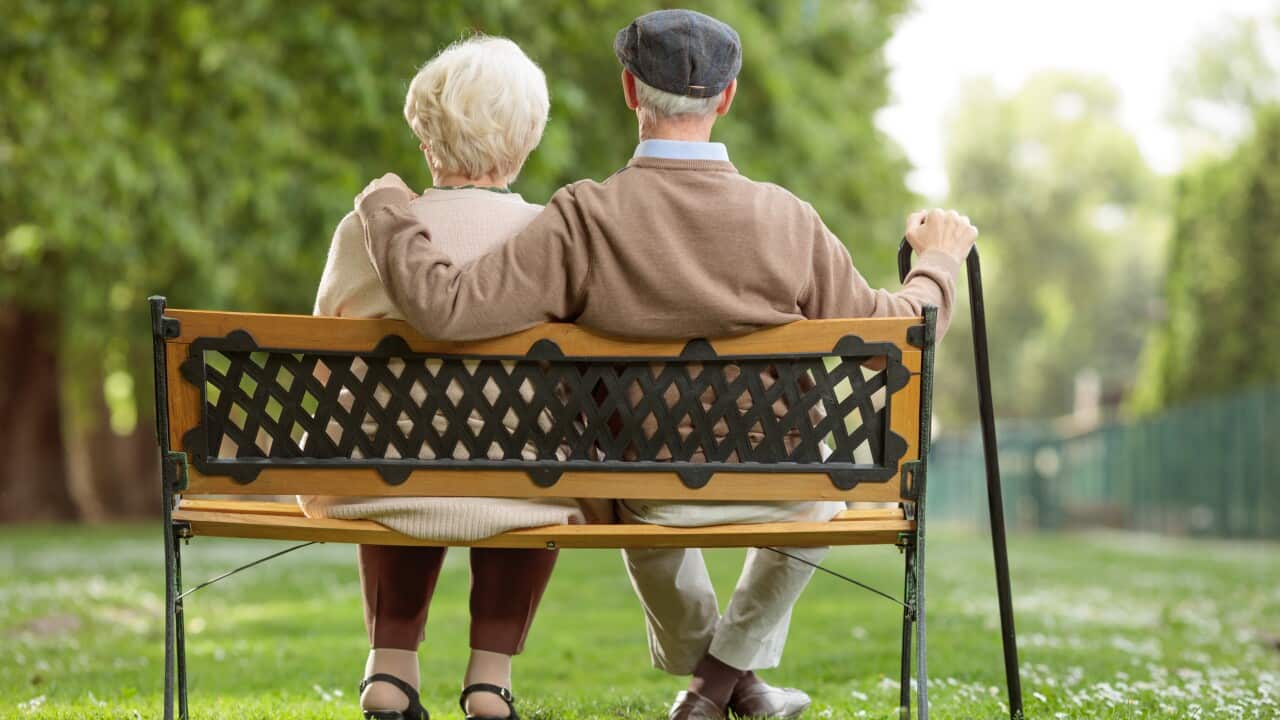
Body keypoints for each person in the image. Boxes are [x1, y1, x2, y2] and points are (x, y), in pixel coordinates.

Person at [352, 10, 978, 719]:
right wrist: (937, 261)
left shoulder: (584, 217)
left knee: (635, 469)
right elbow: (904, 333)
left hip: (647, 488)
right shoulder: (788, 220)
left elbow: (450, 311)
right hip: (785, 483)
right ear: (727, 97)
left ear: (628, 90)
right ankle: (722, 682)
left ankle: (715, 685)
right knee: (823, 486)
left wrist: (387, 211)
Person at [301, 36, 582, 720]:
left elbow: (319, 356)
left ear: (426, 139)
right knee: (528, 457)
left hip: (379, 481)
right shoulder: (550, 234)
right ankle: (489, 681)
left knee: (396, 444)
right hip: (522, 492)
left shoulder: (360, 233)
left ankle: (389, 671)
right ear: (524, 143)